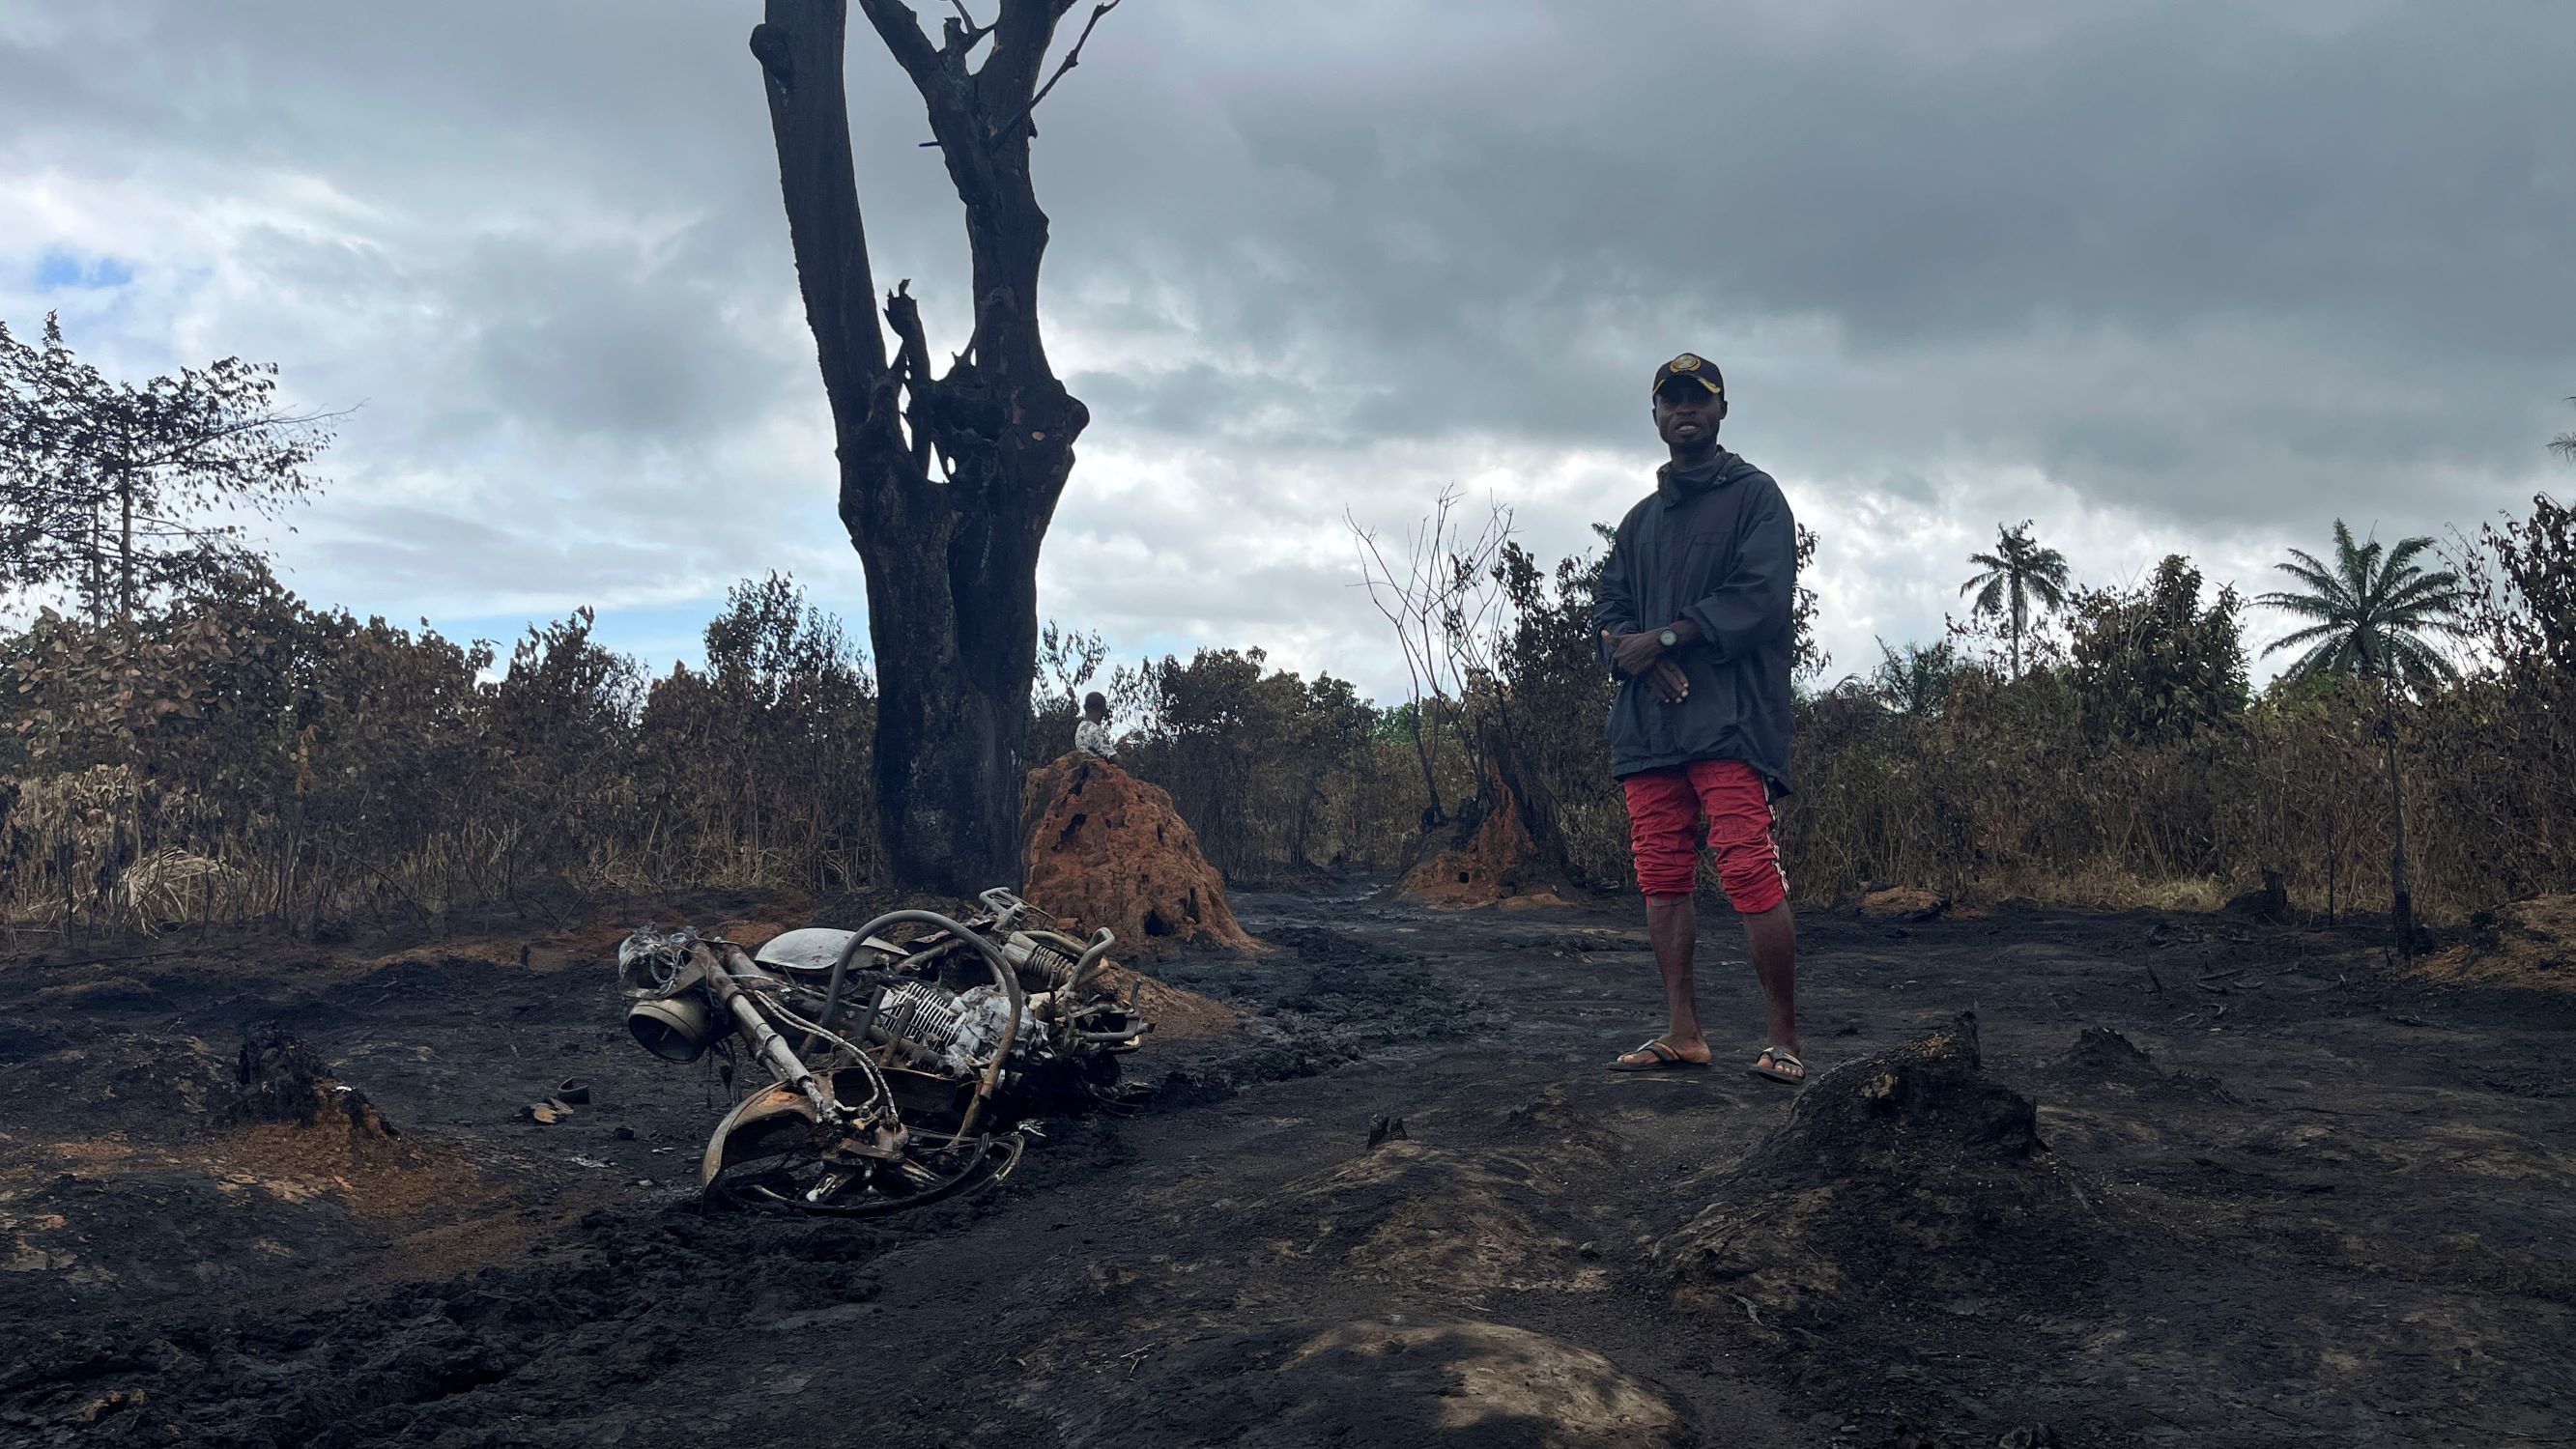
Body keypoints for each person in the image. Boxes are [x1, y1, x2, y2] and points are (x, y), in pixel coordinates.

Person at [1593, 352, 1805, 1085]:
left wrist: (1673, 637)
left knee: (1747, 866)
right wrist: (1639, 654)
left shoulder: (1757, 499)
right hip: (1648, 730)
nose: (1685, 409)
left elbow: (1761, 597)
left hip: (1730, 722)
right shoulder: (1638, 522)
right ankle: (1683, 1035)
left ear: (1721, 411)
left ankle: (1784, 1041)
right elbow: (1609, 615)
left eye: (1699, 398)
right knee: (1661, 873)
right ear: (1655, 417)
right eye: (1671, 399)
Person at [1073, 691, 1117, 760]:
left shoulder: (1081, 727)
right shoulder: (1094, 730)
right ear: (1101, 710)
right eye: (1103, 710)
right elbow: (1114, 758)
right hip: (1098, 768)